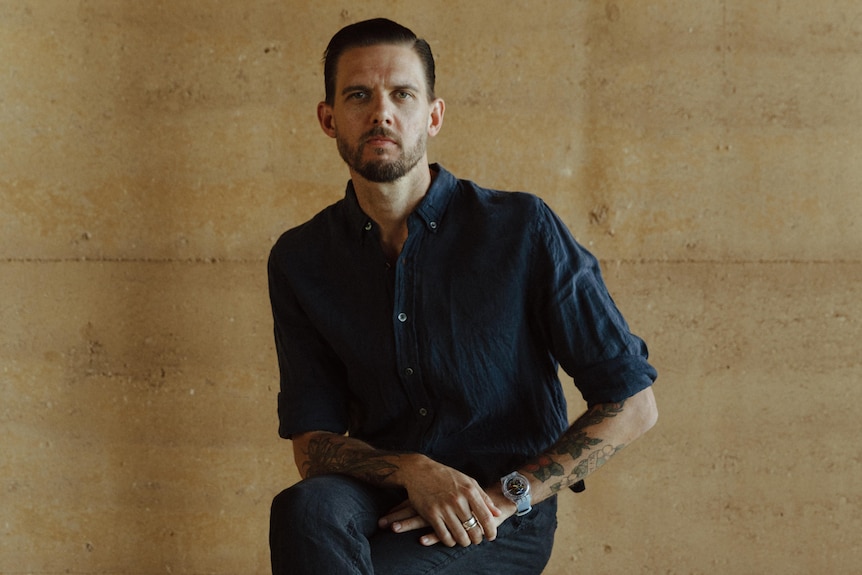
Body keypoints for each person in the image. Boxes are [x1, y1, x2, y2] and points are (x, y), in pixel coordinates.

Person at [267, 18, 658, 575]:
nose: (381, 112)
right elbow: (313, 447)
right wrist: (413, 470)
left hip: (499, 511)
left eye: (402, 94)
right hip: (380, 494)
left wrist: (504, 497)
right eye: (359, 94)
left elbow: (632, 404)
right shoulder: (301, 259)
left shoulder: (521, 229)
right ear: (329, 119)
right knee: (304, 510)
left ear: (433, 114)